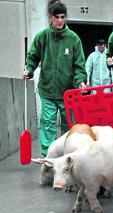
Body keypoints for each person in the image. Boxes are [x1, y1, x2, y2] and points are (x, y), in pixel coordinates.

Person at [23, 1, 87, 157]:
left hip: (68, 92)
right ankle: (48, 158)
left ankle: (67, 157)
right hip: (47, 90)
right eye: (56, 17)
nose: (60, 20)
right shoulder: (42, 37)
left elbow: (79, 65)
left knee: (68, 126)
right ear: (50, 17)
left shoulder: (73, 39)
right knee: (48, 124)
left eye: (63, 17)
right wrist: (28, 70)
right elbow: (32, 57)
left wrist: (80, 80)